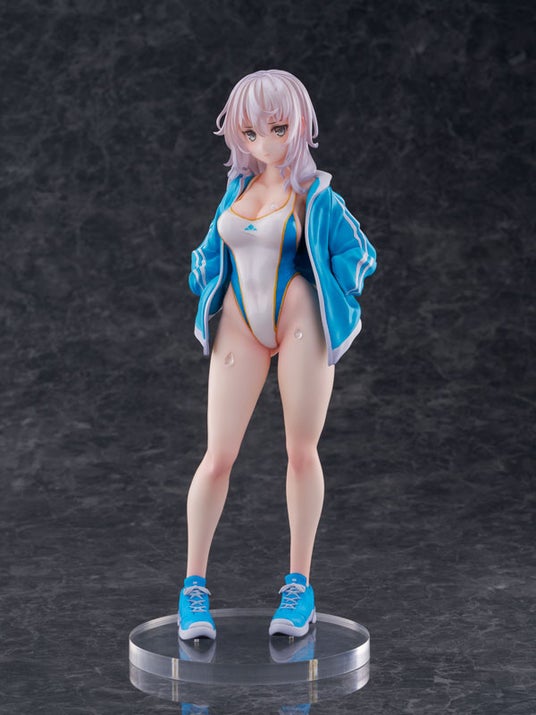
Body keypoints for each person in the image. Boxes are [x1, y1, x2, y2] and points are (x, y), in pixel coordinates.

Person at [178, 69, 377, 640]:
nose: (264, 141)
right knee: (217, 456)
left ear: (300, 125)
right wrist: (205, 282)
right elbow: (208, 251)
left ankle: (299, 585)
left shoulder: (317, 196)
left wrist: (332, 295)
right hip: (239, 323)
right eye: (251, 131)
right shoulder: (237, 190)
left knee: (300, 451)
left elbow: (359, 253)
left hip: (298, 322)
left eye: (279, 128)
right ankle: (193, 587)